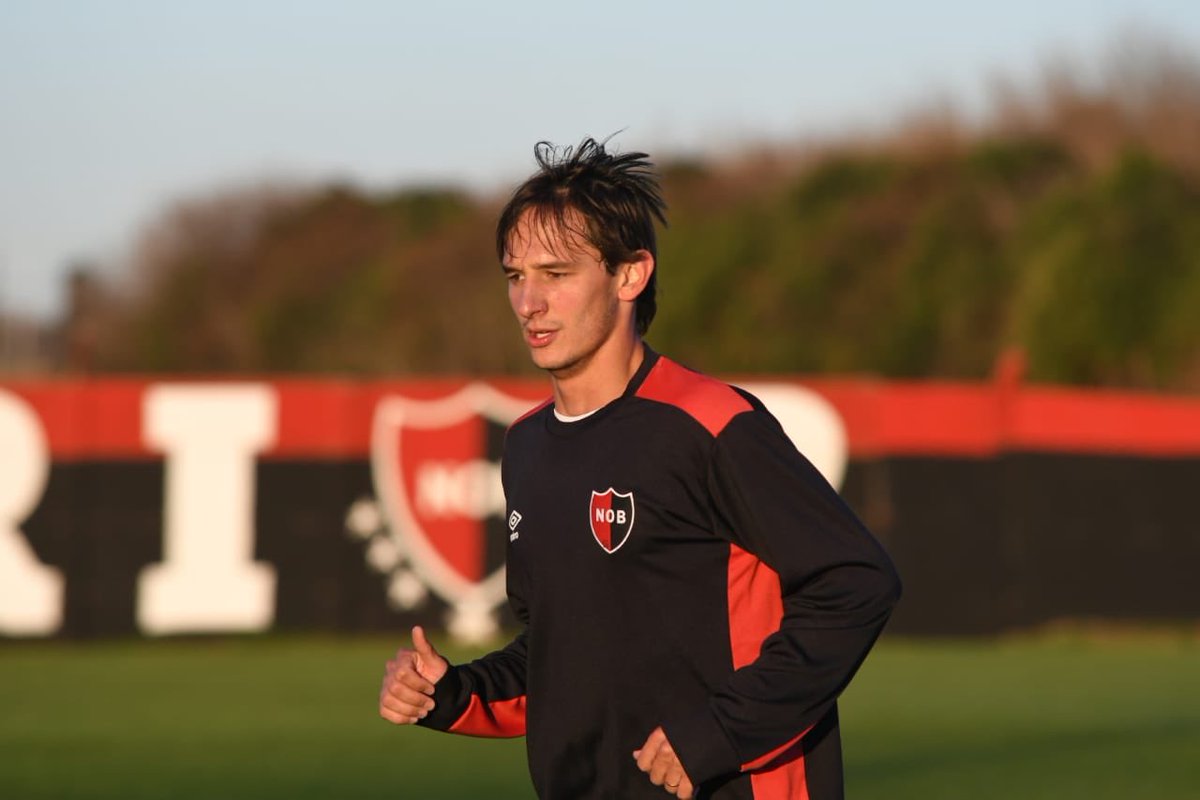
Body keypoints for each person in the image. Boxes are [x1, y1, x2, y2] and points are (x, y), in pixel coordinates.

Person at [379, 137, 901, 800]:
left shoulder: (711, 425)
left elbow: (856, 582)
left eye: (557, 273)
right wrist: (451, 693)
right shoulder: (529, 446)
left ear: (631, 275)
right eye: (516, 275)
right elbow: (558, 653)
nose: (528, 303)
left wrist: (722, 732)